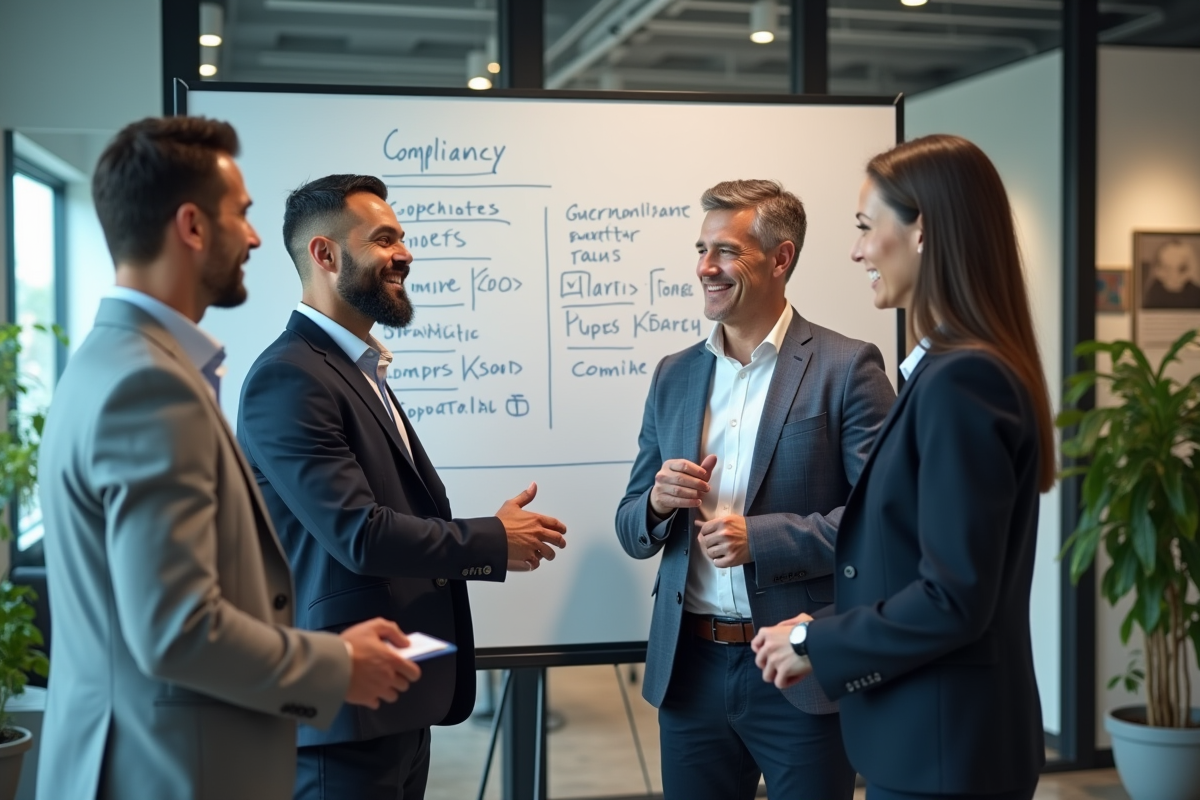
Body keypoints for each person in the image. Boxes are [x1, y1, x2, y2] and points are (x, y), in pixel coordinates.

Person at [36, 118, 422, 800]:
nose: (252, 237)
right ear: (191, 226)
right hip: (166, 770)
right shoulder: (147, 386)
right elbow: (177, 630)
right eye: (241, 215)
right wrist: (335, 663)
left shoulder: (105, 363)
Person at [237, 173, 569, 800]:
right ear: (325, 254)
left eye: (403, 238)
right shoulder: (290, 377)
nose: (405, 254)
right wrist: (491, 539)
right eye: (384, 239)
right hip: (342, 715)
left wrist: (491, 537)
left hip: (394, 700)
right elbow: (358, 534)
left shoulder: (359, 370)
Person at [753, 134, 1054, 800]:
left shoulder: (963, 381)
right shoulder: (953, 373)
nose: (857, 250)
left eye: (866, 228)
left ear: (924, 231)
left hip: (944, 752)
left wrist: (813, 641)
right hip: (939, 742)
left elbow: (952, 598)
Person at [615, 179, 895, 800]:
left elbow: (885, 523)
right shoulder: (674, 375)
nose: (704, 268)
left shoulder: (847, 368)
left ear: (781, 258)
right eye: (701, 249)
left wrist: (761, 540)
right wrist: (658, 503)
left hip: (802, 668)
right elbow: (630, 524)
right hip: (689, 672)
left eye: (726, 252)